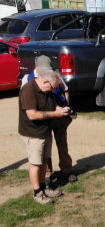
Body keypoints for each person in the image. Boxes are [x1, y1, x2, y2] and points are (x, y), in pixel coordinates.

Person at [19, 65, 73, 204]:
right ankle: (37, 193)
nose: (54, 90)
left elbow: (52, 107)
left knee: (44, 161)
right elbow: (32, 114)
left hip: (45, 131)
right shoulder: (28, 90)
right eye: (53, 87)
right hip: (33, 133)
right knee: (36, 163)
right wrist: (56, 113)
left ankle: (44, 187)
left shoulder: (47, 90)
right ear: (45, 82)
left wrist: (63, 110)